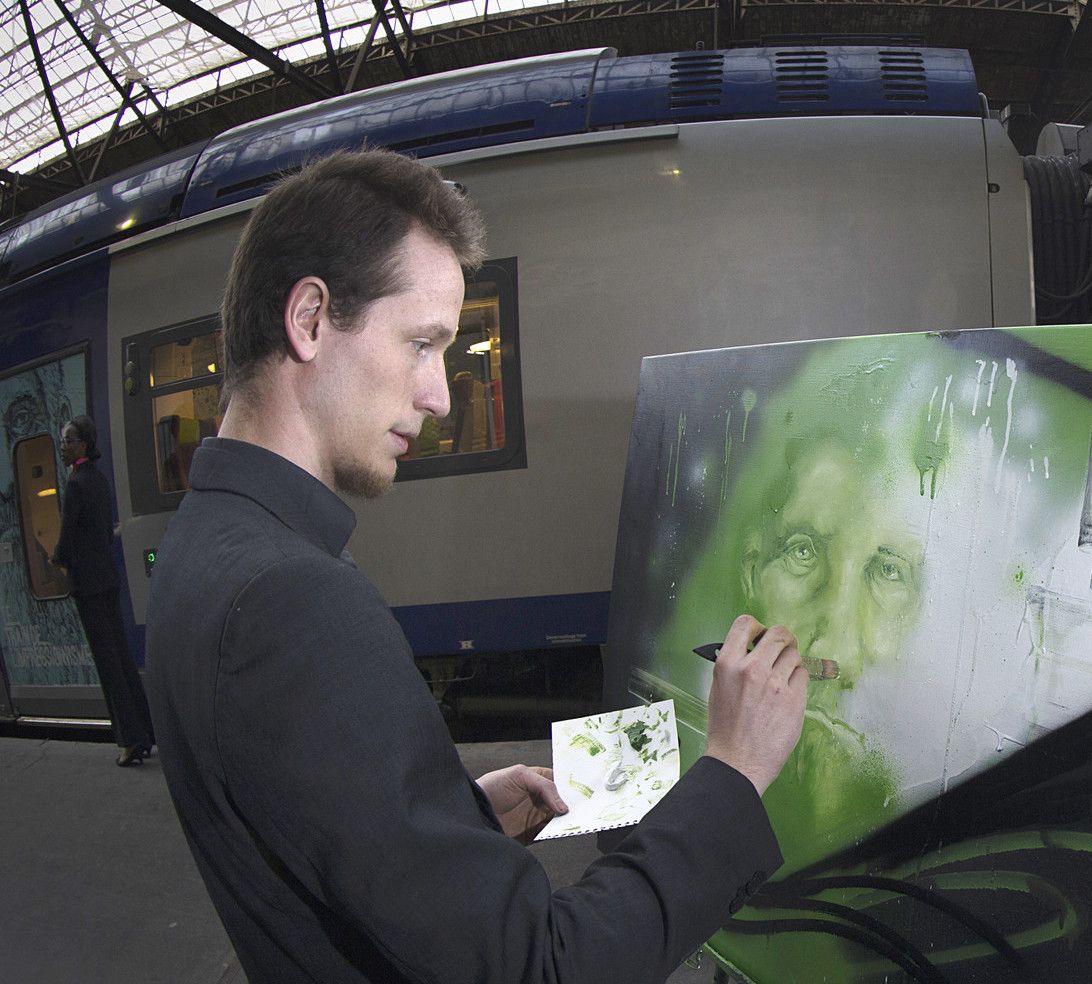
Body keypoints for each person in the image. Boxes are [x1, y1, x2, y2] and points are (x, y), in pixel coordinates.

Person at [143, 149, 808, 983]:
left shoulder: (206, 544)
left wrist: (450, 819)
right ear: (309, 318)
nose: (440, 396)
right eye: (421, 344)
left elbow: (302, 831)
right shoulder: (292, 600)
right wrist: (736, 771)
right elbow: (541, 969)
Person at [53, 414, 156, 766]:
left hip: (88, 584)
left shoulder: (76, 485)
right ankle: (146, 730)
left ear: (83, 445)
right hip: (107, 580)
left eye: (68, 440)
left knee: (107, 663)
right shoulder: (98, 480)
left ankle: (129, 742)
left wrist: (56, 559)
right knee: (123, 659)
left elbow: (66, 540)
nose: (63, 446)